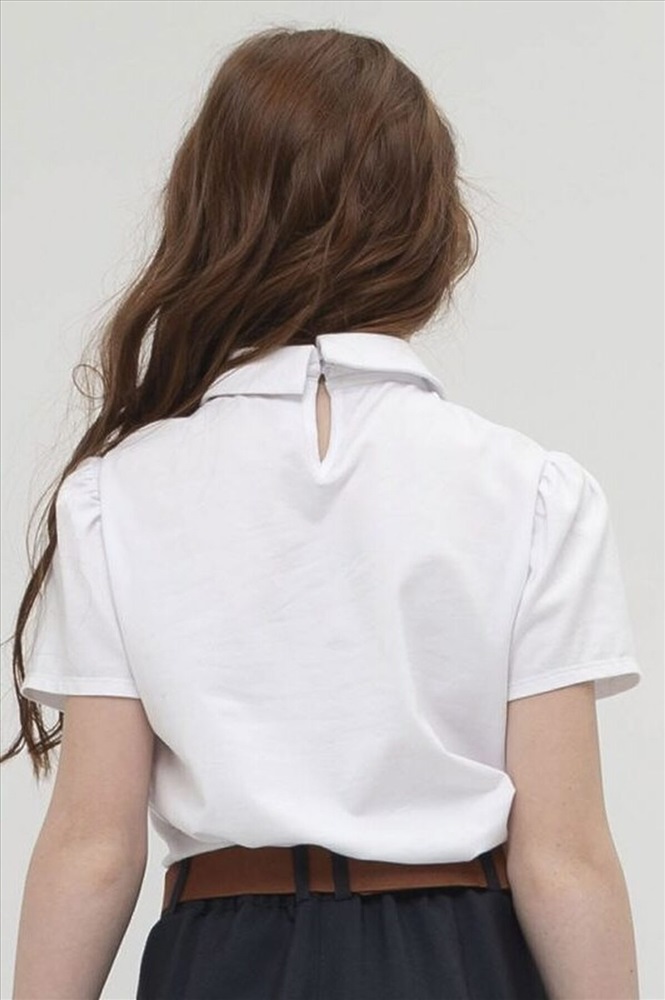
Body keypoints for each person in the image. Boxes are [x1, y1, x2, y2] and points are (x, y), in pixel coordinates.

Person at [4, 25, 642, 1000]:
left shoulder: (116, 498)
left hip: (221, 959)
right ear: (430, 228)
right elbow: (564, 856)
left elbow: (94, 847)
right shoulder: (531, 492)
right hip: (457, 959)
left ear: (211, 217)